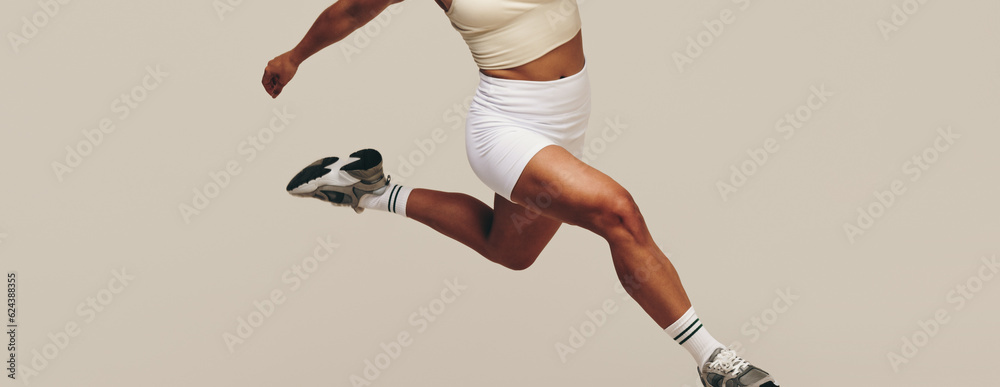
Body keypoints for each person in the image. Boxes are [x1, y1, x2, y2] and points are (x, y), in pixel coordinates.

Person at [263, 0, 779, 385]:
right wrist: (295, 55)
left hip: (567, 119)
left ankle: (370, 191)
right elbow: (353, 10)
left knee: (509, 250)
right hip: (505, 128)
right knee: (617, 214)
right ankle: (714, 361)